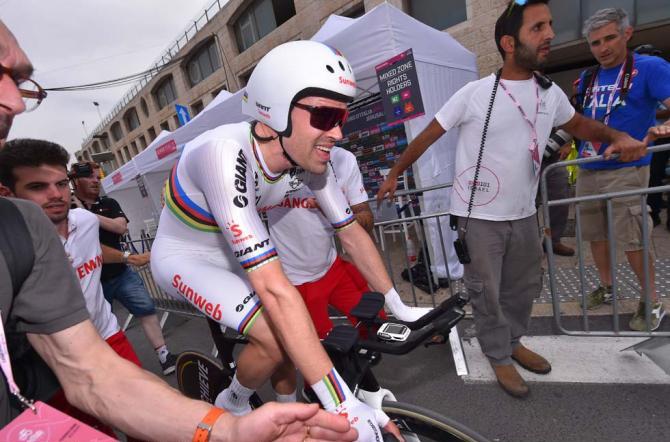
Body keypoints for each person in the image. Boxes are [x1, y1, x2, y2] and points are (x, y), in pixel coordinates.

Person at [0, 19, 356, 442]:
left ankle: (242, 400)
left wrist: (228, 431)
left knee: (280, 337)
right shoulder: (222, 151)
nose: (15, 102)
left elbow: (94, 378)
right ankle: (232, 395)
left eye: (19, 80)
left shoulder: (23, 227)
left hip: (125, 313)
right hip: (180, 265)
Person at [151, 39, 425, 440]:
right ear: (274, 113)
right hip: (187, 259)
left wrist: (397, 303)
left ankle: (260, 398)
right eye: (326, 116)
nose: (337, 132)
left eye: (342, 118)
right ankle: (231, 402)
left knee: (288, 333)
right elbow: (276, 292)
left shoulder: (307, 158)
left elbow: (349, 232)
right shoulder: (223, 153)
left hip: (235, 253)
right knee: (275, 336)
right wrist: (343, 405)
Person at [377, 0, 648, 398]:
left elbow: (578, 124)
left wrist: (615, 137)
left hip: (524, 213)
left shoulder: (549, 92)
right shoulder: (475, 93)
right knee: (486, 290)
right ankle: (497, 354)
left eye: (549, 25)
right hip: (478, 216)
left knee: (522, 287)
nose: (550, 35)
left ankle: (514, 340)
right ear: (509, 42)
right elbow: (430, 133)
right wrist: (396, 172)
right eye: (537, 28)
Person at [0, 138, 143, 438]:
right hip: (54, 362)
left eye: (62, 183)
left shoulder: (86, 221)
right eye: (38, 187)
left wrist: (129, 256)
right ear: (7, 194)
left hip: (109, 335)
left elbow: (98, 251)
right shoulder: (11, 252)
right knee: (98, 432)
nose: (56, 195)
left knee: (147, 421)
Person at [574, 8, 670, 331]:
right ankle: (608, 286)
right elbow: (584, 119)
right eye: (595, 42)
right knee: (595, 235)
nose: (603, 48)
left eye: (610, 38)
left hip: (628, 168)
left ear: (627, 34)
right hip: (588, 167)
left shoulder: (650, 68)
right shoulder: (589, 77)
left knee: (634, 238)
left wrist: (660, 129)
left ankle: (651, 300)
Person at [71, 161, 178, 375]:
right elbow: (87, 248)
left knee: (145, 308)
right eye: (90, 177)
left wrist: (87, 215)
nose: (96, 181)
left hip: (121, 273)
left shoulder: (108, 203)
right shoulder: (68, 211)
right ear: (75, 181)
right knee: (99, 327)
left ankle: (164, 355)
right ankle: (111, 370)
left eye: (98, 178)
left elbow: (120, 227)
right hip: (92, 281)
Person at [266, 145, 380, 339]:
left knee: (376, 324)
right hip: (293, 283)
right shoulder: (270, 160)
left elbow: (366, 218)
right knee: (326, 350)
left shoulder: (344, 159)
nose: (333, 131)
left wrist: (337, 215)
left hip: (332, 268)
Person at [633, 45, 670, 230]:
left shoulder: (661, 74)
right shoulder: (639, 77)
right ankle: (653, 212)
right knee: (654, 175)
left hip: (663, 132)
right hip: (654, 135)